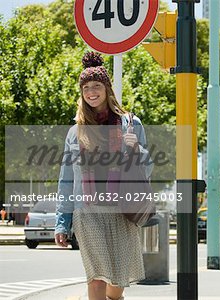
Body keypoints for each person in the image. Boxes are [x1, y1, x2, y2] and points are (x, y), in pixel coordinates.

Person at [55, 52, 152, 300]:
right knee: (96, 276)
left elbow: (147, 169)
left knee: (118, 280)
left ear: (107, 89)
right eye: (86, 87)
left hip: (121, 210)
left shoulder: (131, 124)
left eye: (96, 86)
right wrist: (62, 222)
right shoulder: (75, 131)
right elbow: (66, 179)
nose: (91, 92)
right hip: (87, 213)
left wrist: (135, 149)